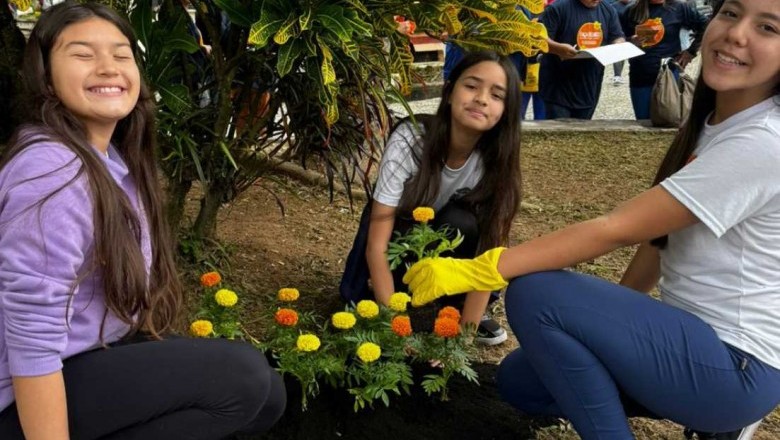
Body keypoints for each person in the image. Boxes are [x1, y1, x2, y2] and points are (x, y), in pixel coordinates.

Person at [403, 0, 780, 438]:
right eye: (730, 13)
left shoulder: (762, 142)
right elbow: (658, 241)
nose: (736, 33)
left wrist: (480, 269)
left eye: (768, 27)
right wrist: (605, 326)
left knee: (536, 292)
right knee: (522, 382)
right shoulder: (713, 124)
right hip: (697, 345)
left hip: (736, 366)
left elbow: (615, 228)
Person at [0, 2, 286, 439]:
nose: (107, 67)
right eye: (82, 54)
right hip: (25, 396)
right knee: (242, 378)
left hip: (91, 353)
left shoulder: (111, 157)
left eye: (121, 54)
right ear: (47, 77)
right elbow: (31, 340)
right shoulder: (50, 172)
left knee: (269, 396)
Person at [340, 51, 523, 345]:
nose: (481, 99)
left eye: (497, 95)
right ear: (449, 92)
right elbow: (377, 244)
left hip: (444, 260)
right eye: (472, 86)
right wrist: (395, 326)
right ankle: (384, 298)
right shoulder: (412, 139)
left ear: (506, 111)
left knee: (463, 222)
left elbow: (487, 259)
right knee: (357, 309)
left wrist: (462, 337)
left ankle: (454, 310)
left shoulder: (496, 162)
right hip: (396, 244)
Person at [621, 0, 709, 119]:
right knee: (643, 123)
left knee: (670, 120)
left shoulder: (679, 7)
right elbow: (618, 38)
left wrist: (690, 52)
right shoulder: (631, 11)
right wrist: (631, 40)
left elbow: (706, 26)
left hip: (669, 75)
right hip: (640, 76)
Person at [539, 0, 626, 119]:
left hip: (590, 86)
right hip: (558, 88)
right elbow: (539, 40)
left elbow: (617, 35)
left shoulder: (608, 10)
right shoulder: (557, 8)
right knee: (559, 133)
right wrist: (558, 49)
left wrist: (619, 45)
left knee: (583, 131)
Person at [609, 0, 632, 85]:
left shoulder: (636, 6)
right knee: (619, 54)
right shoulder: (613, 7)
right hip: (618, 34)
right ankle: (617, 75)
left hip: (631, 33)